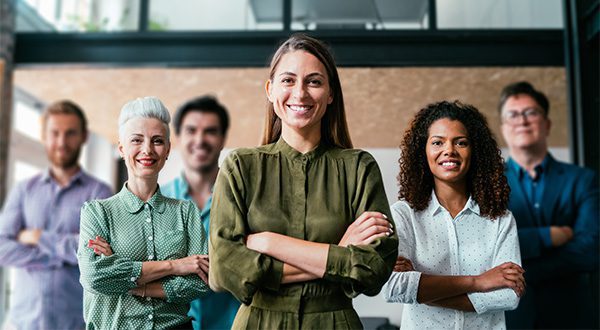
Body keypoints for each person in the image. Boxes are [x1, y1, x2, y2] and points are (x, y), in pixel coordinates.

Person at [208, 33, 398, 329]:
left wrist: (269, 243)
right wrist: (340, 252)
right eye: (288, 80)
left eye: (314, 81)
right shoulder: (239, 166)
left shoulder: (359, 167)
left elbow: (374, 268)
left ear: (331, 93)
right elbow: (224, 270)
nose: (300, 94)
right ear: (270, 90)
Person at [383, 101, 524, 329]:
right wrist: (479, 282)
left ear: (474, 151)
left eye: (461, 142)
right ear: (423, 151)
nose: (449, 150)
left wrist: (420, 289)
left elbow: (509, 295)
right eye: (437, 142)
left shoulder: (500, 219)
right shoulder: (404, 215)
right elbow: (394, 287)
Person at [77, 96, 209, 329]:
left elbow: (202, 282)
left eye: (157, 141)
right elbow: (95, 277)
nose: (147, 149)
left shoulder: (185, 212)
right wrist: (175, 266)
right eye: (136, 140)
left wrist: (132, 281)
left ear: (167, 150)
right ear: (121, 148)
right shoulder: (97, 213)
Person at [0, 100, 112, 330]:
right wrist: (60, 255)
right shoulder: (24, 190)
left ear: (84, 137)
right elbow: (2, 247)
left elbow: (96, 253)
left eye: (70, 133)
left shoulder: (99, 193)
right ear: (44, 136)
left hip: (76, 323)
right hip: (23, 323)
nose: (62, 142)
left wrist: (38, 238)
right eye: (55, 133)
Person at [498, 81, 599, 329]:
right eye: (513, 115)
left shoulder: (583, 180)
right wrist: (547, 236)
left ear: (547, 124)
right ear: (503, 128)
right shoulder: (487, 184)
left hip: (572, 316)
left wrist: (523, 270)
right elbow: (485, 246)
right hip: (510, 320)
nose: (522, 121)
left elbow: (592, 250)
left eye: (531, 113)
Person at [162, 95, 240, 330]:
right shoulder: (157, 200)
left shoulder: (243, 199)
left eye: (210, 131)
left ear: (222, 138)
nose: (200, 139)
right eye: (191, 130)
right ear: (177, 137)